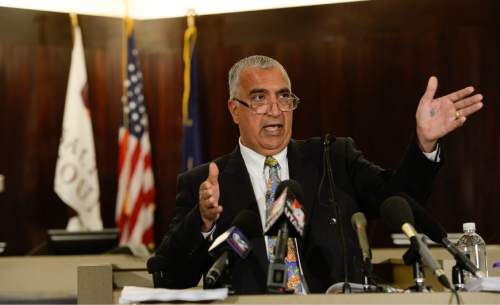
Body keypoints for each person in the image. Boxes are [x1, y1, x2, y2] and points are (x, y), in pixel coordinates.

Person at [153, 55, 483, 294]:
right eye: (259, 99)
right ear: (233, 109)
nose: (275, 110)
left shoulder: (332, 158)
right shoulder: (205, 183)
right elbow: (168, 279)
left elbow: (399, 197)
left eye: (284, 97)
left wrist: (425, 143)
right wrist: (204, 221)